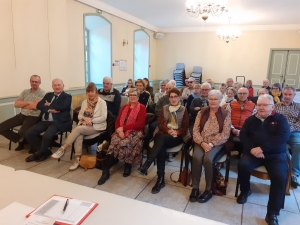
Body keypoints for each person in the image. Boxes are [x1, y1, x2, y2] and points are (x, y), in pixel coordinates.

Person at [237, 94, 290, 225]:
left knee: (279, 176)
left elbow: (283, 136)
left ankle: (272, 213)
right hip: (253, 152)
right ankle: (245, 191)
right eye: (259, 105)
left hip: (275, 155)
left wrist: (262, 148)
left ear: (272, 106)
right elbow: (243, 135)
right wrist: (252, 149)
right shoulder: (251, 120)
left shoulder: (280, 119)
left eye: (265, 105)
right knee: (243, 165)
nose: (261, 107)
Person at [138, 88, 190, 194]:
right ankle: (160, 179)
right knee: (161, 144)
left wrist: (176, 132)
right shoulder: (164, 108)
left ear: (179, 97)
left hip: (176, 136)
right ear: (168, 98)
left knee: (161, 140)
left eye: (175, 96)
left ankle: (149, 164)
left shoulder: (184, 110)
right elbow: (160, 124)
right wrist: (168, 130)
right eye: (171, 97)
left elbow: (185, 127)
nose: (173, 99)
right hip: (163, 133)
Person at [51, 82, 107, 171]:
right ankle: (77, 160)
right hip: (84, 125)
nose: (90, 93)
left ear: (96, 92)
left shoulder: (102, 102)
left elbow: (104, 117)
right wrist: (84, 118)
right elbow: (79, 116)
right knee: (79, 135)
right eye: (88, 91)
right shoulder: (85, 102)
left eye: (92, 91)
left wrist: (91, 121)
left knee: (78, 129)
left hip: (97, 126)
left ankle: (63, 148)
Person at [98, 88, 147, 185]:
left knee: (125, 143)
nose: (132, 97)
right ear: (128, 96)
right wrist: (118, 130)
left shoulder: (142, 107)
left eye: (134, 95)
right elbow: (117, 121)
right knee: (114, 142)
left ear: (138, 97)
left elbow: (140, 124)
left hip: (135, 132)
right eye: (130, 95)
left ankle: (127, 165)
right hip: (121, 130)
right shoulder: (124, 107)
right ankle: (106, 171)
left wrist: (123, 128)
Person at [190, 90, 231, 203]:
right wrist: (202, 143)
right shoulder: (202, 112)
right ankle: (195, 188)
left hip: (217, 143)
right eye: (211, 99)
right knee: (196, 158)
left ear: (219, 100)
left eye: (215, 99)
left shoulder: (225, 113)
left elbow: (226, 133)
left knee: (208, 160)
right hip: (202, 141)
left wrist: (211, 144)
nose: (213, 101)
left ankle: (209, 190)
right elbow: (195, 130)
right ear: (208, 100)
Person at [25, 79, 72, 162]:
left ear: (63, 86)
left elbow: (62, 107)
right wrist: (49, 110)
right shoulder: (48, 95)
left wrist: (49, 104)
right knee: (28, 133)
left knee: (46, 136)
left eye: (59, 85)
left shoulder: (67, 96)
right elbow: (39, 105)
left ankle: (38, 154)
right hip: (45, 120)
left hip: (58, 122)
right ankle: (45, 151)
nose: (57, 87)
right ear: (52, 86)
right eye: (55, 85)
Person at [0, 75, 45, 151]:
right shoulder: (25, 92)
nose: (34, 83)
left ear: (40, 83)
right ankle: (20, 139)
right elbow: (16, 104)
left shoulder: (43, 93)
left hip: (33, 116)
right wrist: (29, 102)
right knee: (1, 127)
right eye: (32, 81)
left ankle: (34, 145)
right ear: (30, 82)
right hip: (21, 115)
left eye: (36, 82)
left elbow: (34, 107)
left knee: (23, 131)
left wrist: (23, 104)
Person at [274, 86, 300, 189]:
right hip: (278, 132)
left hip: (294, 132)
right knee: (280, 146)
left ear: (294, 95)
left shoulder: (298, 106)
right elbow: (272, 119)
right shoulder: (276, 106)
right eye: (285, 94)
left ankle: (294, 173)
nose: (287, 96)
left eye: (290, 94)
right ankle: (283, 170)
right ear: (282, 94)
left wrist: (289, 129)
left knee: (298, 145)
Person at [226, 87, 256, 156]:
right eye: (240, 93)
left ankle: (245, 155)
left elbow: (253, 120)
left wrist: (242, 130)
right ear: (237, 94)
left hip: (246, 129)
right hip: (231, 128)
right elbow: (227, 118)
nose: (242, 95)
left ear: (248, 94)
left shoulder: (253, 106)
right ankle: (226, 154)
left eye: (244, 93)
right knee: (225, 136)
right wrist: (233, 129)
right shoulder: (231, 104)